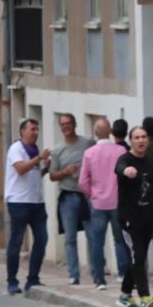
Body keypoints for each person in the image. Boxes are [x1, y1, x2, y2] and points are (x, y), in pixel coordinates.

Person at [114, 124, 153, 307]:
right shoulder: (125, 159)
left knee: (138, 257)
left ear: (148, 140)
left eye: (144, 137)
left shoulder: (151, 161)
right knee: (139, 255)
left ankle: (125, 296)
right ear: (131, 141)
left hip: (147, 216)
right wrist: (126, 171)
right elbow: (119, 168)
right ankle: (144, 296)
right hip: (128, 217)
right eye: (137, 137)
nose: (141, 140)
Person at [2, 119, 51, 294]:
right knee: (16, 241)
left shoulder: (35, 150)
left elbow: (33, 174)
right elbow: (21, 169)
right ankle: (12, 280)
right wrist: (39, 158)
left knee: (42, 239)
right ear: (23, 131)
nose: (35, 132)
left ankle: (33, 278)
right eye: (32, 129)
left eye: (37, 129)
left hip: (36, 201)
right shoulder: (17, 149)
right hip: (19, 201)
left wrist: (45, 169)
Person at [76, 118, 125, 289]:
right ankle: (123, 273)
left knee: (97, 241)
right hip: (117, 200)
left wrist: (91, 195)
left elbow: (82, 181)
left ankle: (99, 278)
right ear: (110, 131)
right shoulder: (120, 151)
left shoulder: (89, 153)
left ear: (95, 132)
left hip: (97, 202)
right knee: (120, 239)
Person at [46, 112, 92, 286]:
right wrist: (65, 172)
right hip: (68, 196)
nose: (65, 127)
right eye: (62, 124)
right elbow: (52, 175)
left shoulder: (87, 143)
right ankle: (74, 274)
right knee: (70, 237)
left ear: (74, 124)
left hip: (87, 196)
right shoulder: (58, 150)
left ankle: (97, 272)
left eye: (68, 123)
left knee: (93, 235)